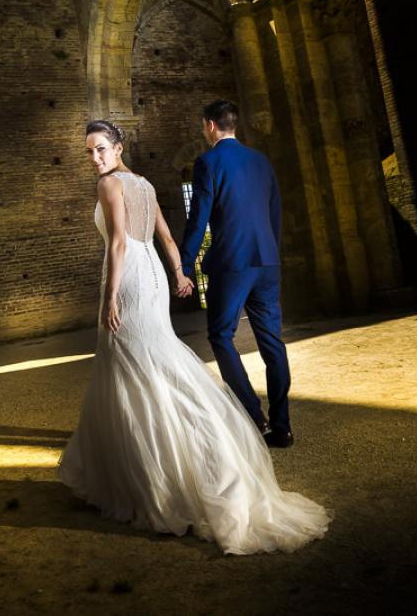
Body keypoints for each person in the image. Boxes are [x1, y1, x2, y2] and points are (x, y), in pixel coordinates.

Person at [56, 119, 329, 555]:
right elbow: (164, 234)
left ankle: (160, 472)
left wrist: (109, 298)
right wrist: (179, 272)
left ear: (119, 146)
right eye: (89, 151)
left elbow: (119, 245)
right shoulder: (142, 183)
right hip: (154, 279)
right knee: (154, 360)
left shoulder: (110, 186)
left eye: (102, 149)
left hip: (128, 280)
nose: (96, 158)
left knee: (135, 366)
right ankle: (183, 448)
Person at [179, 99, 295, 446]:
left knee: (220, 335)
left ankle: (253, 416)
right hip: (267, 261)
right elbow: (274, 213)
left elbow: (198, 220)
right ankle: (283, 426)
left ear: (211, 125)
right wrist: (270, 252)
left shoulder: (208, 162)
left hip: (232, 263)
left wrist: (185, 266)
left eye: (204, 125)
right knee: (272, 341)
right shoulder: (261, 161)